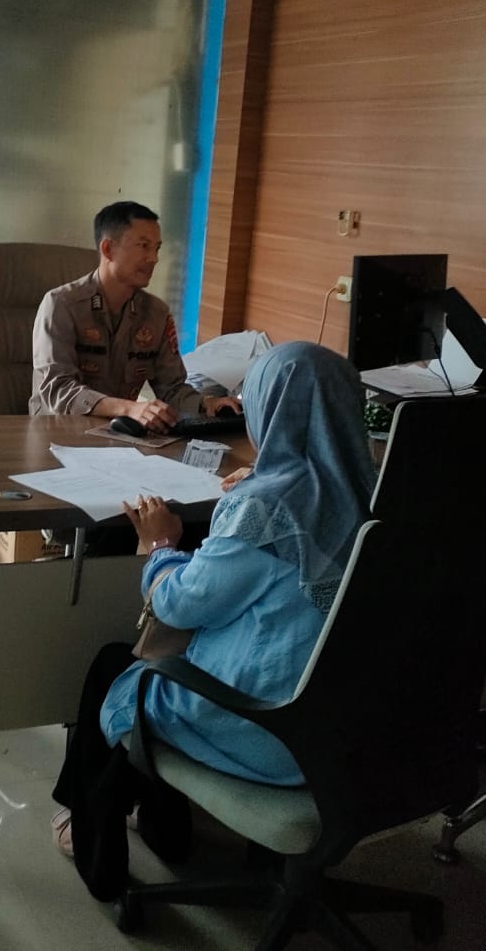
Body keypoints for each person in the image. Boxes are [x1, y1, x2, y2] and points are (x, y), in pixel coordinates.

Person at [50, 340, 376, 902]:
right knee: (177, 656)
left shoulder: (265, 508)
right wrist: (259, 487)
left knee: (116, 665)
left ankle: (97, 853)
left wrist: (160, 546)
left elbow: (179, 605)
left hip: (275, 732)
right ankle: (165, 827)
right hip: (351, 730)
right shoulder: (375, 495)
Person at [29, 200, 240, 430]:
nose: (154, 258)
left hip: (117, 434)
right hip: (56, 431)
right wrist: (129, 409)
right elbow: (58, 390)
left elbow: (171, 389)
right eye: (144, 246)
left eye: (157, 248)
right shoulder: (61, 305)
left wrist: (206, 403)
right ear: (108, 249)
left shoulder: (156, 314)